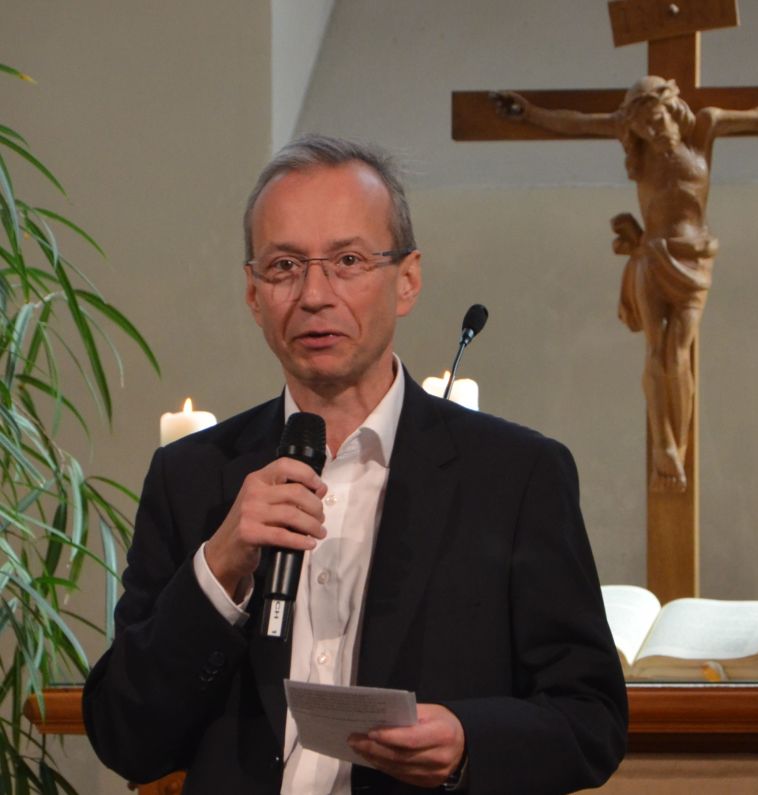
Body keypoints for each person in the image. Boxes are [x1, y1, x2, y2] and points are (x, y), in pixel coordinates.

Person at [83, 134, 628, 794]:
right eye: (284, 266)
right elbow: (126, 738)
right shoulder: (191, 477)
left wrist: (467, 741)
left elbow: (590, 718)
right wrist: (218, 568)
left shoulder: (517, 476)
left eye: (347, 260)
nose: (314, 294)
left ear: (407, 280)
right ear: (253, 293)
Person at [493, 77, 758, 492]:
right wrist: (531, 114)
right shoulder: (636, 142)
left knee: (677, 352)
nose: (653, 130)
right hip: (652, 256)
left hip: (694, 258)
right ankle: (664, 445)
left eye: (658, 119)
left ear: (673, 110)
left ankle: (677, 445)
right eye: (643, 127)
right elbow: (576, 122)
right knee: (655, 349)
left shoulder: (704, 130)